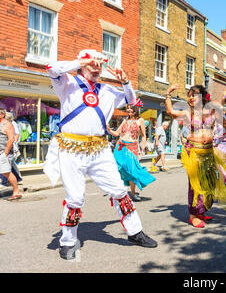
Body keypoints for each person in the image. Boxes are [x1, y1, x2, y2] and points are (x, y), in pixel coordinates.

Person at [44, 49, 157, 260]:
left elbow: (133, 102)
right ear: (82, 64)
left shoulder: (107, 90)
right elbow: (51, 68)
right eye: (91, 64)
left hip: (100, 150)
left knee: (119, 191)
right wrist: (81, 60)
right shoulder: (67, 83)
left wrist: (125, 82)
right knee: (75, 198)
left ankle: (135, 232)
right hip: (71, 149)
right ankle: (68, 242)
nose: (96, 68)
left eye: (99, 64)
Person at [165, 84, 226, 228]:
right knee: (195, 184)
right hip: (193, 151)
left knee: (209, 183)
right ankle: (193, 215)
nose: (191, 97)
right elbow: (170, 111)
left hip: (208, 151)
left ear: (202, 96)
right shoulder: (188, 112)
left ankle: (201, 210)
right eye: (189, 95)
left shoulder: (211, 111)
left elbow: (225, 122)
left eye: (194, 94)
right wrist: (168, 93)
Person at [107, 102, 155, 202]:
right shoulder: (124, 121)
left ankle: (133, 193)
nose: (129, 110)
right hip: (120, 148)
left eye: (131, 108)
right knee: (118, 168)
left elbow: (144, 136)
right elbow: (116, 133)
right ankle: (118, 191)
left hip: (132, 149)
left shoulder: (140, 120)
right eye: (127, 108)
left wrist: (141, 151)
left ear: (135, 109)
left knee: (132, 171)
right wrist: (108, 129)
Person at [0, 109, 22, 201]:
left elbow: (11, 139)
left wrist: (5, 153)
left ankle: (16, 191)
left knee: (6, 172)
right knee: (5, 172)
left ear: (2, 115)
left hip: (3, 152)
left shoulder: (7, 125)